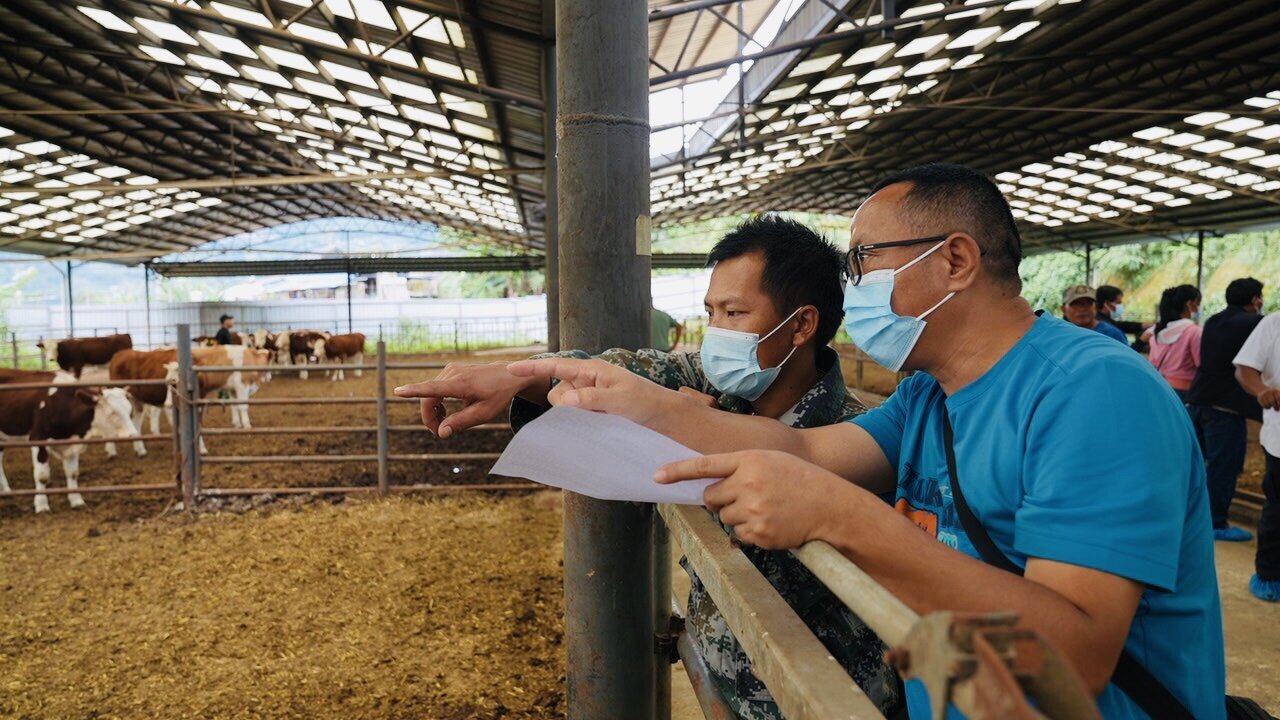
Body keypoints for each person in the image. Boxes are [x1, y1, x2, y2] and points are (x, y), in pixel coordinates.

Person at [508, 163, 1225, 719]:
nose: (852, 289)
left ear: (955, 260)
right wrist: (641, 401)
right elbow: (807, 453)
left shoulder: (1094, 393)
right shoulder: (927, 395)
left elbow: (1075, 654)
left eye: (865, 261)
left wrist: (842, 518)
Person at [395, 215, 903, 718]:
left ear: (802, 325)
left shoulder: (862, 442)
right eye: (711, 312)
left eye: (734, 312)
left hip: (812, 701)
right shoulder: (713, 385)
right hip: (724, 681)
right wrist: (515, 378)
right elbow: (618, 370)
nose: (716, 333)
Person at [1190, 278, 1265, 542]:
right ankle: (1215, 522)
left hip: (1199, 400)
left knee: (1200, 464)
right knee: (1224, 466)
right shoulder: (1255, 323)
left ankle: (1194, 518)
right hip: (1226, 408)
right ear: (1255, 300)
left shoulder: (1213, 320)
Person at [1233, 310, 1280, 602]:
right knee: (1278, 509)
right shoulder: (1274, 324)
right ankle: (1270, 574)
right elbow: (1244, 369)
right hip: (1279, 439)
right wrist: (1262, 390)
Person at [1148, 284, 1202, 401]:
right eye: (1197, 304)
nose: (1198, 308)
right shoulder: (1193, 331)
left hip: (1159, 387)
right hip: (1184, 391)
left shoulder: (1157, 331)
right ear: (1189, 304)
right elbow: (1201, 364)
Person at [1062, 284, 1128, 343]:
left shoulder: (1112, 335)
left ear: (1096, 307)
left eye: (1088, 303)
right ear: (1064, 309)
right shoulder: (1060, 335)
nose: (1082, 309)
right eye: (1076, 304)